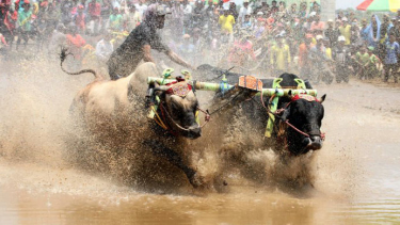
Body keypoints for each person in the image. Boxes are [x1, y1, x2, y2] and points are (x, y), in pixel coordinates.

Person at [107, 4, 194, 80]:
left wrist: (190, 66)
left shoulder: (153, 34)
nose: (163, 20)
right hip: (116, 67)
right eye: (161, 17)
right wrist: (161, 74)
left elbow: (170, 53)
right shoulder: (144, 29)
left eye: (163, 17)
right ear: (152, 18)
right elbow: (147, 57)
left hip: (125, 69)